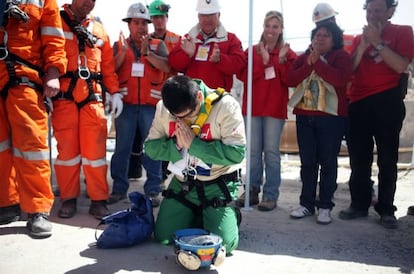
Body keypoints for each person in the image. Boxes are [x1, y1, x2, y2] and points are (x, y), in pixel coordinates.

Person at [144, 75, 246, 254]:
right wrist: (175, 144)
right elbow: (150, 148)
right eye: (177, 117)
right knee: (164, 236)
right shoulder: (163, 109)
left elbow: (237, 153)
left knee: (224, 245)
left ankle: (229, 214)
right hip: (183, 183)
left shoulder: (226, 106)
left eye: (189, 115)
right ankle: (200, 214)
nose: (183, 121)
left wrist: (194, 145)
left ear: (199, 97)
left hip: (217, 182)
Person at [339, 0, 414, 229]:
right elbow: (347, 71)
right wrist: (362, 47)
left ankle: (386, 208)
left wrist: (378, 43)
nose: (372, 16)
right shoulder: (358, 38)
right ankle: (359, 204)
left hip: (388, 101)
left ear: (390, 11)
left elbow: (402, 66)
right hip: (359, 102)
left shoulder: (403, 32)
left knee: (387, 158)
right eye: (369, 11)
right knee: (359, 158)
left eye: (378, 11)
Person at [0, 0, 67, 237]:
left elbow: (54, 38)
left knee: (31, 145)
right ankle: (7, 203)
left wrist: (53, 73)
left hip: (24, 75)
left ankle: (38, 209)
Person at [51, 0, 123, 220]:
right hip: (64, 97)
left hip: (93, 98)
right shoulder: (56, 23)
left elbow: (108, 67)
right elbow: (47, 55)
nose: (88, 4)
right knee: (67, 154)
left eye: (92, 0)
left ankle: (98, 200)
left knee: (96, 154)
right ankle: (68, 198)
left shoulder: (100, 30)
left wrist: (115, 92)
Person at [286, 22, 352, 224]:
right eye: (317, 35)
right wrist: (309, 64)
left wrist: (318, 63)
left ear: (334, 39)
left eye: (325, 35)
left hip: (331, 118)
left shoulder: (341, 57)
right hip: (305, 116)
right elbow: (290, 78)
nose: (320, 38)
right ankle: (306, 204)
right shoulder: (305, 56)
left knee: (328, 163)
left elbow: (340, 80)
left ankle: (325, 206)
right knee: (307, 163)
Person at [109, 3, 170, 207]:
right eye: (136, 23)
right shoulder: (119, 45)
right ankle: (119, 189)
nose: (141, 27)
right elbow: (110, 70)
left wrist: (146, 54)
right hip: (125, 106)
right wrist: (122, 53)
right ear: (129, 25)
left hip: (150, 107)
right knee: (122, 148)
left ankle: (153, 190)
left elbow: (167, 67)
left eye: (145, 23)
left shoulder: (157, 45)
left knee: (152, 149)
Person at [235, 11, 297, 211]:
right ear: (263, 27)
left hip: (274, 109)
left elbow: (291, 79)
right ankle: (252, 190)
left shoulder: (287, 52)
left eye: (275, 27)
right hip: (253, 108)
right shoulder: (252, 51)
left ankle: (270, 195)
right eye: (268, 26)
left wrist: (278, 61)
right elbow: (243, 75)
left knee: (271, 153)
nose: (271, 30)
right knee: (252, 152)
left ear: (281, 30)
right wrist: (262, 62)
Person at [127, 0, 181, 184]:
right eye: (155, 17)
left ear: (167, 18)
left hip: (170, 94)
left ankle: (162, 175)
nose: (159, 21)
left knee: (168, 136)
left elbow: (175, 65)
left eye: (161, 17)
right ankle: (145, 174)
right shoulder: (143, 39)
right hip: (151, 95)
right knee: (149, 138)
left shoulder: (177, 39)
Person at [168, 0, 246, 92]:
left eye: (211, 14)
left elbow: (240, 64)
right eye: (204, 15)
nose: (207, 19)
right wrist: (187, 55)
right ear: (198, 16)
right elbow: (174, 64)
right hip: (193, 98)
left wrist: (221, 59)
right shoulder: (188, 39)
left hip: (219, 98)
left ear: (219, 15)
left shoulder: (230, 39)